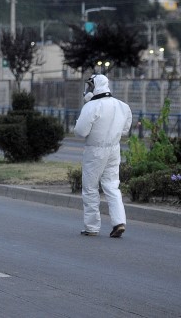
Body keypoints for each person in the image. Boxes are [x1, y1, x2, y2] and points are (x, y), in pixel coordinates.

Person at [74, 74, 132, 238]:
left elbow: (81, 131)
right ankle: (119, 222)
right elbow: (125, 130)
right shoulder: (122, 106)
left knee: (90, 188)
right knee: (112, 186)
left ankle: (92, 227)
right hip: (114, 148)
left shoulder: (92, 107)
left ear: (95, 87)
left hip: (95, 150)